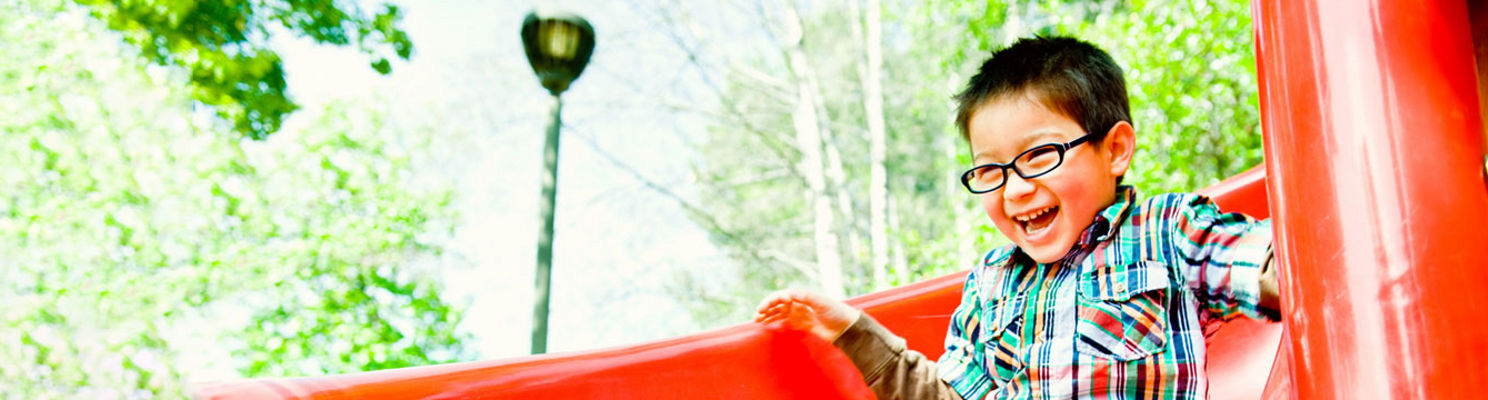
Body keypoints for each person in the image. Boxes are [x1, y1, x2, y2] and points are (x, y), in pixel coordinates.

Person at [753, 36, 1280, 400]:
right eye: (991, 170)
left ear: (1114, 149)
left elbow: (1279, 266)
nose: (1016, 188)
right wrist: (850, 328)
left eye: (1039, 155)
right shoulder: (992, 284)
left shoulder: (1168, 232)